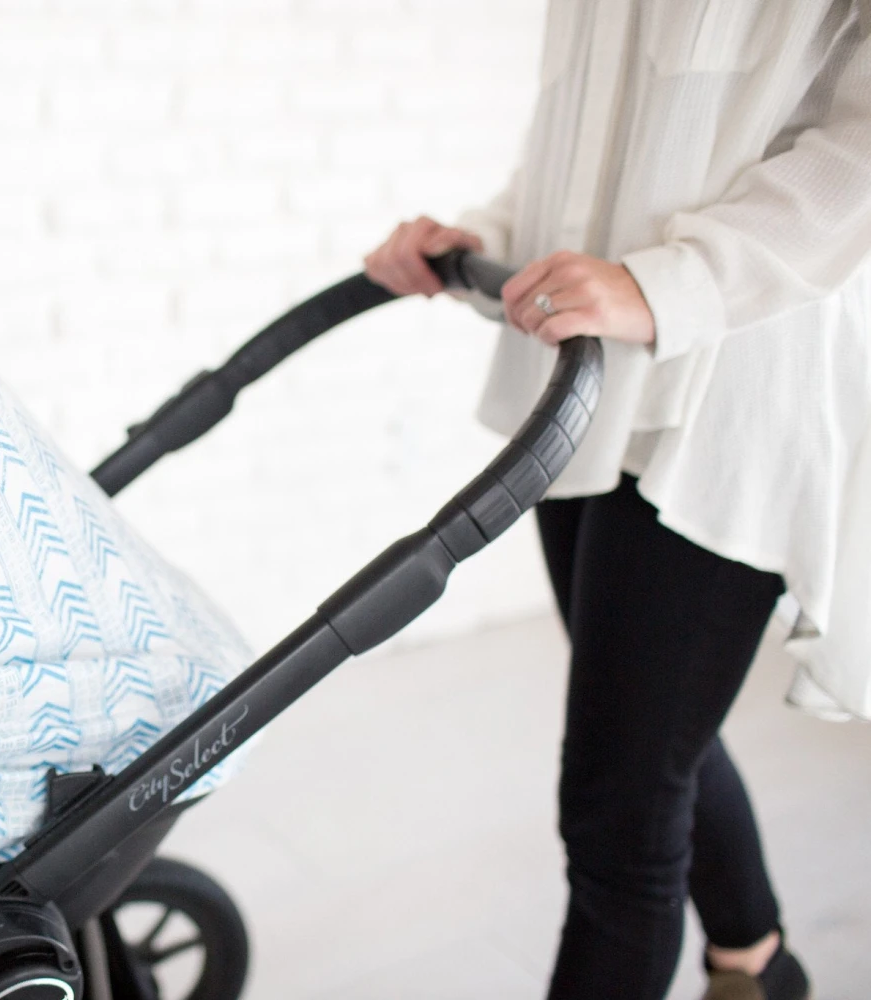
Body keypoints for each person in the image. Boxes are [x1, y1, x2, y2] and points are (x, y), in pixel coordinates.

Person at [364, 2, 871, 999]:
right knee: (649, 730)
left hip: (727, 392)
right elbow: (591, 131)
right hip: (588, 387)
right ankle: (757, 962)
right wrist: (486, 242)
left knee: (618, 810)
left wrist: (683, 281)